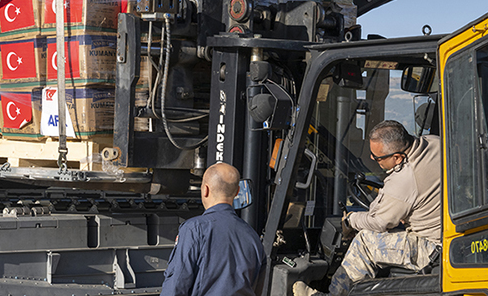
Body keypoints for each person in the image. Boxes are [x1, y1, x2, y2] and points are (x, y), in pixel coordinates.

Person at [294, 121, 441, 296]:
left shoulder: (403, 179)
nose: (372, 158)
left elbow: (380, 222)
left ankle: (332, 294)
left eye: (378, 158)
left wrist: (350, 220)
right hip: (450, 239)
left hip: (432, 249)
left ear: (398, 158)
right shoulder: (435, 143)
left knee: (365, 241)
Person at [160, 162, 267, 296]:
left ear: (205, 189)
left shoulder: (194, 229)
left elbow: (176, 286)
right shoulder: (253, 237)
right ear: (237, 192)